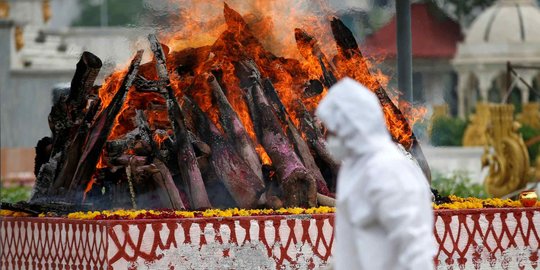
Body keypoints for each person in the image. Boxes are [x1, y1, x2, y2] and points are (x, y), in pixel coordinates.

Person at [315, 78, 436, 270]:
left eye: (333, 131)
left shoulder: (388, 169)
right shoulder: (354, 169)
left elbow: (414, 248)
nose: (328, 139)